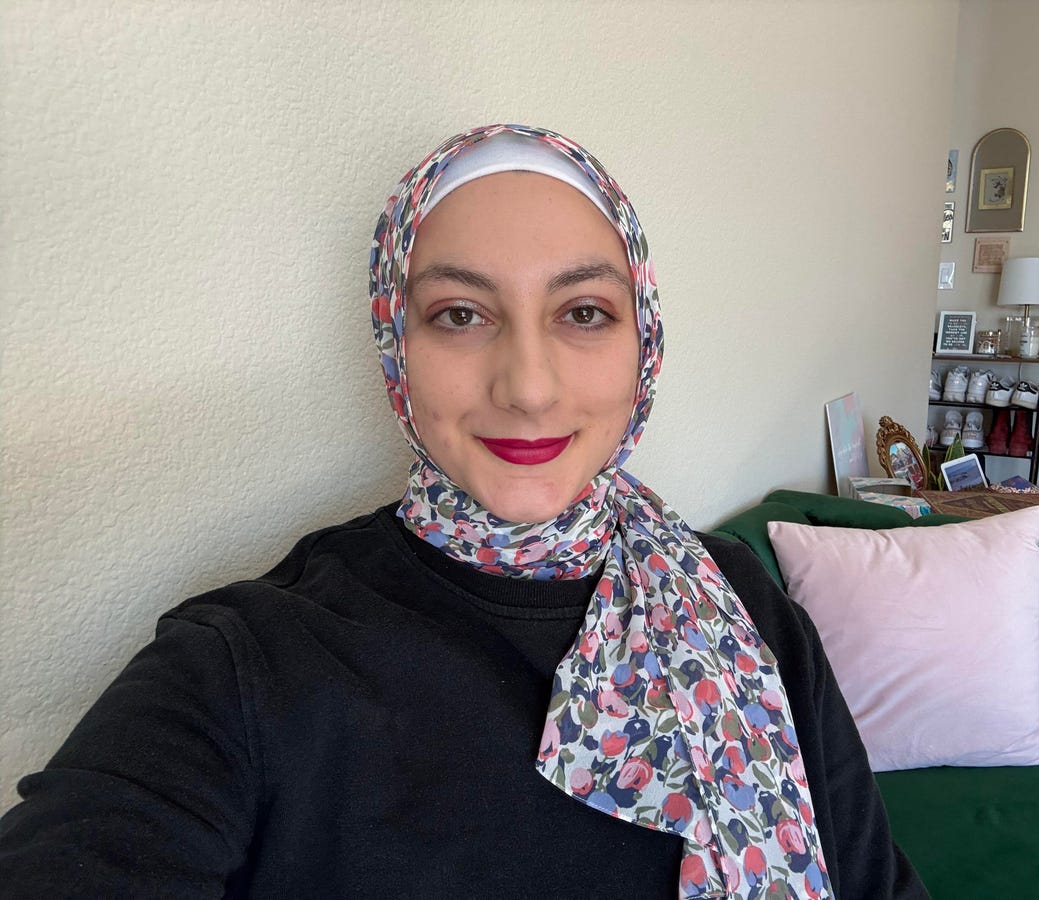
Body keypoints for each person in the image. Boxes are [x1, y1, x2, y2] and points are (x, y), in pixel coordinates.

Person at [0, 125, 927, 899]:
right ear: (393, 344)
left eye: (585, 313)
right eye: (458, 314)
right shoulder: (246, 666)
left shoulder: (741, 601)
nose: (528, 388)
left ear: (642, 341)